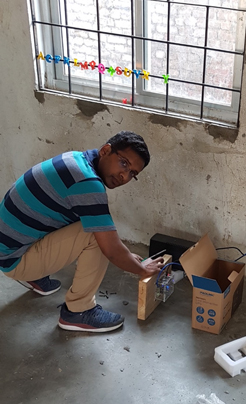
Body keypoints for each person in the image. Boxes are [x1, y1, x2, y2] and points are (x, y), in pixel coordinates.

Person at [0, 131, 164, 332]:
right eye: (124, 163)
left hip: (11, 246)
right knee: (94, 234)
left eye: (133, 173)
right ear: (105, 150)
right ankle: (78, 311)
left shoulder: (77, 159)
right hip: (14, 258)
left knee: (92, 222)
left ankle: (34, 274)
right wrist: (142, 270)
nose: (125, 176)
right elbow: (110, 249)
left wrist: (127, 256)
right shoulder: (88, 184)